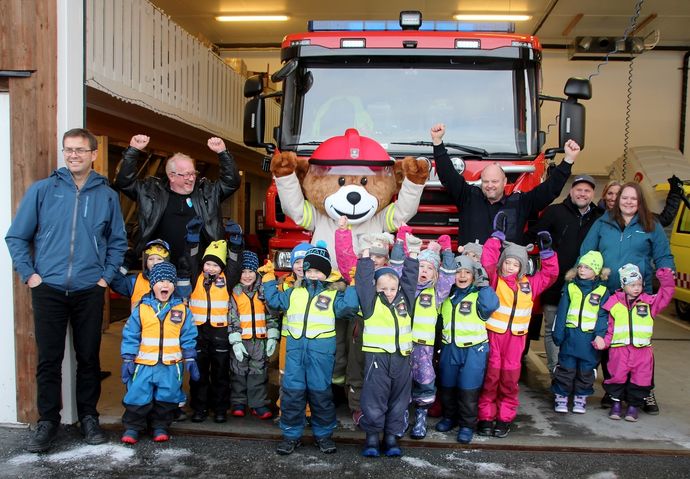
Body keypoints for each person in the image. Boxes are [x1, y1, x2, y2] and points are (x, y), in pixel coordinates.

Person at [6, 128, 127, 453]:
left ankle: (89, 417)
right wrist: (30, 275)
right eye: (68, 150)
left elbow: (118, 241)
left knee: (88, 358)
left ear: (93, 154)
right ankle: (48, 422)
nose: (72, 155)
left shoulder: (106, 196)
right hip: (49, 288)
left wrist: (105, 277)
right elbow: (16, 237)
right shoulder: (44, 190)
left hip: (89, 289)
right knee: (49, 359)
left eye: (79, 150)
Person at [580, 182, 675, 414]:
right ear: (618, 199)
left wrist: (666, 278)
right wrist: (581, 280)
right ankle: (614, 391)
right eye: (625, 198)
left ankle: (645, 392)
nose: (629, 202)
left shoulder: (651, 224)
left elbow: (663, 256)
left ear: (640, 201)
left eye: (634, 198)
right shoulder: (603, 223)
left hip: (637, 296)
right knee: (611, 343)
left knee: (639, 344)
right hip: (607, 293)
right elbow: (587, 252)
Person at [262, 241, 359, 455]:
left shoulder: (334, 295)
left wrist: (353, 285)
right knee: (292, 396)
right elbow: (274, 303)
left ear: (327, 273)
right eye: (310, 270)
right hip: (296, 354)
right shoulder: (294, 292)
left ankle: (323, 436)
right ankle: (290, 436)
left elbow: (350, 308)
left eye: (318, 271)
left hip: (320, 355)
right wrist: (269, 280)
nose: (313, 275)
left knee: (321, 396)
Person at [430, 123, 581, 245]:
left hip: (505, 274)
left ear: (504, 182)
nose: (490, 185)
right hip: (472, 273)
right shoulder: (468, 197)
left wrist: (568, 160)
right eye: (486, 181)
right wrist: (437, 143)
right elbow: (448, 176)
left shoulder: (520, 203)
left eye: (494, 181)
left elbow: (549, 190)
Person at [477, 212, 558, 438]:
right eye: (508, 262)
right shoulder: (494, 279)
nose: (511, 267)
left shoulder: (530, 285)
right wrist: (496, 238)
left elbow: (550, 274)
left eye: (516, 264)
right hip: (494, 336)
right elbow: (487, 259)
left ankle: (504, 418)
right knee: (491, 377)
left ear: (523, 267)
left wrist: (547, 253)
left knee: (510, 380)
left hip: (516, 340)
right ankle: (485, 416)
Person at [113, 134, 240, 267]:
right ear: (171, 176)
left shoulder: (207, 193)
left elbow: (231, 182)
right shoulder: (150, 192)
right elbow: (124, 181)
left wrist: (222, 153)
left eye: (193, 173)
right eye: (186, 174)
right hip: (161, 270)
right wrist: (133, 150)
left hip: (200, 271)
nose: (191, 178)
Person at [526, 175, 604, 375]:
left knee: (582, 329)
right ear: (571, 191)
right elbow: (534, 234)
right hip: (555, 284)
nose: (582, 194)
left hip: (587, 288)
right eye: (578, 189)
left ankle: (579, 376)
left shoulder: (599, 216)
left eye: (587, 190)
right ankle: (556, 374)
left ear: (592, 194)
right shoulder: (555, 212)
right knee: (553, 329)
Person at [120, 262, 199, 444]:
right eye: (161, 281)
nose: (165, 285)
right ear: (152, 284)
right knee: (138, 395)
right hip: (144, 365)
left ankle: (160, 426)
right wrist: (128, 358)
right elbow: (131, 334)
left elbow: (188, 335)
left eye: (170, 282)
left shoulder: (182, 310)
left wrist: (190, 358)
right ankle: (133, 427)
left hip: (170, 365)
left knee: (166, 397)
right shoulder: (142, 309)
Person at [390, 229, 456, 440]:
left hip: (423, 349)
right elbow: (397, 267)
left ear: (435, 273)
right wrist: (400, 242)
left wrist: (447, 251)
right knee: (400, 383)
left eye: (429, 268)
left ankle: (420, 417)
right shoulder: (402, 288)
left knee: (424, 381)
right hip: (401, 346)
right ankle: (399, 418)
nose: (424, 271)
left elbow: (448, 275)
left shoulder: (436, 294)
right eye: (421, 267)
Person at [355, 246, 419, 457]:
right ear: (376, 289)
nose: (389, 293)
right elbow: (363, 284)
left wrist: (413, 258)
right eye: (383, 289)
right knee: (374, 401)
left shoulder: (405, 303)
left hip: (402, 360)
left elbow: (410, 283)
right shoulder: (371, 304)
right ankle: (372, 438)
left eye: (393, 289)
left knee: (399, 402)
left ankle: (391, 437)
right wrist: (365, 261)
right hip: (377, 360)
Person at [595, 264, 674, 422]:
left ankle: (633, 407)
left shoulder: (649, 303)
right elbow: (610, 327)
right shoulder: (614, 303)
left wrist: (665, 278)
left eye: (639, 284)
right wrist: (604, 341)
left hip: (642, 351)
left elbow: (666, 295)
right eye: (632, 285)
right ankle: (616, 404)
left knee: (641, 379)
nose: (636, 288)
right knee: (617, 377)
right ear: (623, 285)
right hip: (619, 350)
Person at [435, 255, 499, 444]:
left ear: (474, 276)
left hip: (473, 352)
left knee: (468, 389)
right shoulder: (446, 295)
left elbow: (491, 305)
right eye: (458, 272)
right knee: (447, 386)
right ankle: (449, 417)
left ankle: (466, 425)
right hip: (449, 348)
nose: (462, 275)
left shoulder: (479, 296)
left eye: (467, 272)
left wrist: (483, 284)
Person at [551, 251, 609, 414]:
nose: (582, 270)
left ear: (596, 271)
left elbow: (603, 316)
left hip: (589, 340)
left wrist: (600, 335)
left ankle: (580, 397)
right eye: (581, 266)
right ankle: (561, 396)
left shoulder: (603, 292)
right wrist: (558, 333)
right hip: (570, 337)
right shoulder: (570, 288)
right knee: (566, 368)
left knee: (586, 370)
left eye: (588, 267)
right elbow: (561, 313)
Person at [228, 251, 279, 420]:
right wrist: (235, 340)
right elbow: (232, 316)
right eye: (243, 271)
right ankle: (238, 402)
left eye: (251, 271)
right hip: (241, 340)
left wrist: (272, 335)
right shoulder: (234, 292)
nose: (247, 275)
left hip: (260, 341)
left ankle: (258, 404)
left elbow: (271, 314)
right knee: (238, 371)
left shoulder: (263, 291)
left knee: (258, 372)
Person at [187, 240, 232, 423]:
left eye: (216, 265)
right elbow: (190, 260)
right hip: (199, 331)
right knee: (199, 373)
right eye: (208, 264)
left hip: (219, 332)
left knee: (220, 373)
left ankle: (220, 409)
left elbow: (235, 266)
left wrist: (236, 248)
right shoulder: (195, 277)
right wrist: (192, 240)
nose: (211, 268)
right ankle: (199, 408)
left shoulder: (228, 279)